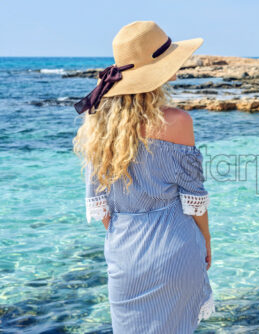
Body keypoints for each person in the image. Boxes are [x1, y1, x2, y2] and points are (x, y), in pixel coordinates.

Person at [72, 21, 215, 333]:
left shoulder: (97, 127)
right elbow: (195, 200)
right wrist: (205, 239)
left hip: (125, 255)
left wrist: (131, 229)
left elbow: (101, 208)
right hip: (175, 247)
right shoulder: (178, 122)